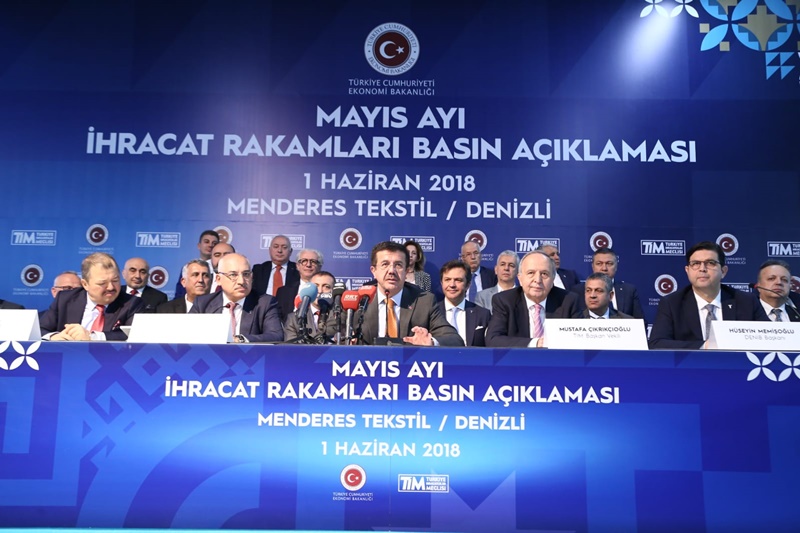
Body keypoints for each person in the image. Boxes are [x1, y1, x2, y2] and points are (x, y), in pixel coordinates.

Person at [648, 241, 769, 349]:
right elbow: (657, 343)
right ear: (687, 271)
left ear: (723, 271)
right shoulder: (672, 303)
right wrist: (705, 346)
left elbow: (769, 339)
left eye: (710, 263)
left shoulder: (746, 301)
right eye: (695, 263)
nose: (702, 269)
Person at [354, 241, 463, 346]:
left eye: (398, 265)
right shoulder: (357, 300)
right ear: (373, 271)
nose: (391, 271)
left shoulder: (424, 302)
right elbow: (343, 336)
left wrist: (431, 342)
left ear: (406, 271)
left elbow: (454, 339)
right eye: (385, 264)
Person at [485, 250, 580, 348]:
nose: (538, 280)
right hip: (518, 357)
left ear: (552, 279)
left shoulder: (569, 301)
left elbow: (580, 340)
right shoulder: (505, 301)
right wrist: (536, 343)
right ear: (520, 278)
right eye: (531, 273)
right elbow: (493, 339)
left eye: (544, 274)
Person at [40, 252, 143, 341]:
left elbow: (132, 335)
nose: (111, 287)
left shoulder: (132, 303)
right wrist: (54, 336)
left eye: (115, 280)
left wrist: (92, 337)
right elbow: (40, 329)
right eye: (102, 283)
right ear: (85, 284)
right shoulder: (65, 299)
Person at [189, 253, 283, 343]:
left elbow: (276, 336)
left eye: (246, 274)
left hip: (248, 354)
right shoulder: (202, 304)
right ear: (218, 279)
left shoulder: (265, 303)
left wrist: (241, 340)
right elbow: (187, 335)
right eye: (233, 275)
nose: (241, 281)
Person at [572, 247, 645, 320]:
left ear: (616, 267)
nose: (604, 268)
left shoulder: (629, 290)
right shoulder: (577, 291)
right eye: (599, 264)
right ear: (593, 266)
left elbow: (640, 322)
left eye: (609, 264)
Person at [436, 260, 492, 346]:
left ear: (468, 285)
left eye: (458, 280)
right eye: (447, 280)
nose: (452, 285)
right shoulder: (432, 313)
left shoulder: (483, 314)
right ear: (441, 283)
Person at [284, 271, 340, 342]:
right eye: (315, 286)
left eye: (326, 287)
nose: (320, 291)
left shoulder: (341, 316)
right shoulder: (293, 319)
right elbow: (291, 346)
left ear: (333, 291)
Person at [275, 248, 323, 323]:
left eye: (313, 261)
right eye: (304, 261)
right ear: (297, 266)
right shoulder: (283, 291)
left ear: (319, 266)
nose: (308, 265)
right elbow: (278, 319)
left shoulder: (325, 290)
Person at [174, 230, 219, 298]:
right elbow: (179, 295)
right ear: (199, 245)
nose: (210, 245)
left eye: (214, 243)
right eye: (206, 242)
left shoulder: (221, 269)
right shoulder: (187, 267)